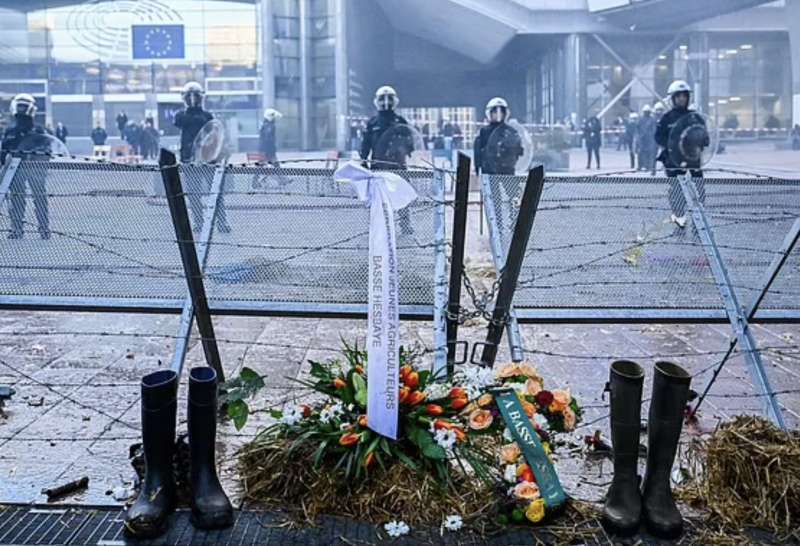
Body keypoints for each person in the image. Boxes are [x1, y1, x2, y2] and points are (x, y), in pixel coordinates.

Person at [174, 81, 230, 233]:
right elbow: (180, 121)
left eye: (196, 96)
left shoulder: (207, 116)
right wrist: (192, 107)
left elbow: (214, 133)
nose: (193, 99)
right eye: (189, 96)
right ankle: (199, 222)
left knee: (215, 192)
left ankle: (222, 222)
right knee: (193, 194)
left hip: (208, 159)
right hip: (189, 160)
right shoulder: (181, 116)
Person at [360, 85, 414, 234]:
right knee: (379, 198)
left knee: (402, 195)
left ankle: (405, 224)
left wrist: (404, 147)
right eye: (382, 99)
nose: (385, 102)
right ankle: (380, 224)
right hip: (379, 166)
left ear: (394, 100)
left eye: (389, 98)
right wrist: (363, 160)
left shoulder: (400, 121)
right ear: (376, 101)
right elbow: (365, 144)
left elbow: (410, 143)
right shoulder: (372, 123)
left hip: (398, 166)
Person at [656, 80, 708, 228]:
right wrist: (671, 145)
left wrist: (700, 142)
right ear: (672, 98)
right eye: (678, 96)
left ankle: (699, 218)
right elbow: (658, 137)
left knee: (698, 190)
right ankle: (679, 218)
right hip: (673, 161)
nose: (681, 98)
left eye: (684, 95)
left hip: (692, 159)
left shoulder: (695, 117)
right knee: (676, 190)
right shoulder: (666, 119)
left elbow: (704, 137)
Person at [0, 93, 51, 239]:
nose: (22, 109)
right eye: (20, 105)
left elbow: (47, 150)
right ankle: (18, 228)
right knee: (18, 198)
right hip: (17, 169)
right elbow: (3, 152)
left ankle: (42, 228)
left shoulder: (38, 130)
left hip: (33, 168)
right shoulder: (11, 131)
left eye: (24, 105)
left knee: (38, 198)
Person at [637, 105, 657, 173]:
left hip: (650, 140)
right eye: (645, 112)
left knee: (651, 153)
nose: (646, 113)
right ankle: (644, 166)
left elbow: (654, 129)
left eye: (647, 112)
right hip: (643, 139)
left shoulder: (652, 120)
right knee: (642, 153)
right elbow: (638, 129)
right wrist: (639, 137)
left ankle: (650, 167)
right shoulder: (641, 119)